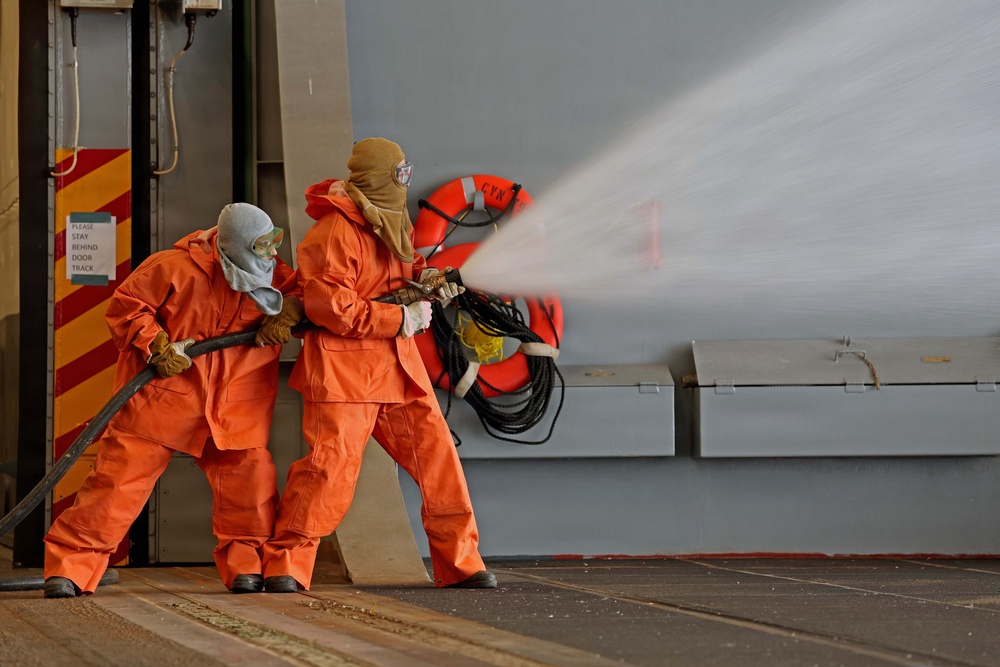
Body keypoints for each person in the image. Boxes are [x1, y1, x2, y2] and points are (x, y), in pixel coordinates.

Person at [260, 137, 496, 592]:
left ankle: (461, 562)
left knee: (439, 463)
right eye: (400, 174)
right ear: (379, 179)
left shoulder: (388, 219)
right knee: (327, 471)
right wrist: (399, 317)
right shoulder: (333, 232)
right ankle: (286, 565)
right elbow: (328, 303)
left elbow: (403, 266)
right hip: (346, 374)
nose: (405, 182)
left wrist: (426, 277)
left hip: (399, 371)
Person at [43, 203, 304, 598]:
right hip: (164, 397)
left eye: (273, 244)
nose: (271, 255)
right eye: (262, 247)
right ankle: (71, 567)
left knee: (249, 482)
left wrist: (292, 313)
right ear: (229, 248)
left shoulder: (278, 277)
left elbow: (311, 297)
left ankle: (245, 566)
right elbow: (127, 306)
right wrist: (156, 345)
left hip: (236, 404)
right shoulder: (173, 268)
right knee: (118, 482)